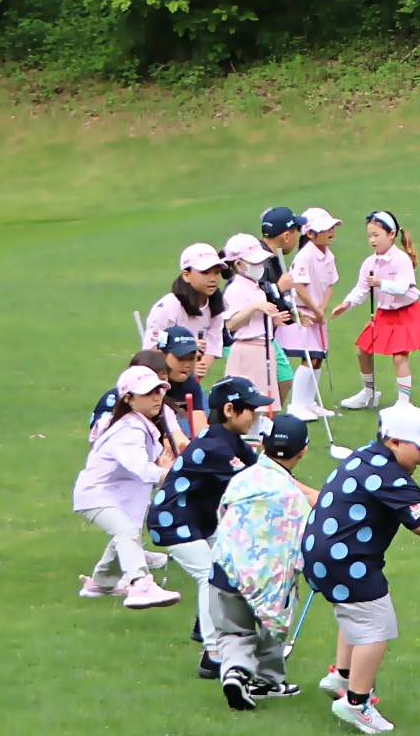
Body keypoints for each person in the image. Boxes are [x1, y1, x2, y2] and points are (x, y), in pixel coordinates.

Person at [302, 401, 420, 733]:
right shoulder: (393, 477)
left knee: (356, 615)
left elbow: (374, 494)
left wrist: (416, 496)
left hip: (320, 554)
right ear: (395, 441)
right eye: (419, 448)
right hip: (348, 561)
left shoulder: (365, 457)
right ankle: (356, 703)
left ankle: (343, 677)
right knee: (377, 625)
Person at [149, 376, 271, 681]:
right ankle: (213, 654)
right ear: (230, 410)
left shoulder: (231, 441)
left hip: (200, 520)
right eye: (251, 409)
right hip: (173, 521)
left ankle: (202, 625)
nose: (255, 415)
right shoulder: (215, 447)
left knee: (229, 565)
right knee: (209, 575)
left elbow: (264, 473)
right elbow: (255, 485)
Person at [209, 412, 317, 705]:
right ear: (303, 451)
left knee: (233, 631)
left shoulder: (241, 480)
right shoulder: (294, 497)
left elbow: (222, 515)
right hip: (270, 580)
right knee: (272, 628)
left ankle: (235, 671)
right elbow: (304, 540)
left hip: (226, 570)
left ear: (263, 444)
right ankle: (267, 680)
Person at [73, 364, 181, 608]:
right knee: (126, 531)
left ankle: (101, 581)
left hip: (114, 495)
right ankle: (140, 583)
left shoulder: (139, 425)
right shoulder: (130, 429)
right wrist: (168, 474)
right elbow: (139, 467)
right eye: (148, 393)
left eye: (158, 391)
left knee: (127, 530)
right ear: (129, 399)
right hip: (96, 496)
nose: (156, 397)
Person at [333, 212, 420, 409]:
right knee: (362, 351)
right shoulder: (370, 263)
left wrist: (380, 283)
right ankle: (368, 393)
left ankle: (404, 403)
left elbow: (402, 287)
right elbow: (361, 289)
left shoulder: (401, 259)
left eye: (376, 235)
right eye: (369, 236)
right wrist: (347, 303)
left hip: (405, 312)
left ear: (391, 234)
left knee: (399, 357)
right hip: (384, 313)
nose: (372, 240)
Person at [277, 207, 342, 419]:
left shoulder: (329, 256)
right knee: (309, 357)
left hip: (316, 312)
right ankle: (296, 405)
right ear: (310, 234)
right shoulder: (305, 256)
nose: (330, 232)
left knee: (318, 358)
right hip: (302, 312)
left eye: (332, 228)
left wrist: (322, 308)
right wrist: (315, 309)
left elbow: (330, 284)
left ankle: (308, 402)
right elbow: (299, 287)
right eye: (325, 229)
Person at [144, 242, 230, 391]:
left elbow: (213, 345)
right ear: (186, 275)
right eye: (205, 273)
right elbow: (152, 349)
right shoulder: (168, 306)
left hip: (189, 379)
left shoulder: (216, 306)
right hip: (163, 381)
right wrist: (187, 347)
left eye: (216, 273)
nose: (213, 279)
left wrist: (201, 365)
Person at [216, 234, 291, 399]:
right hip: (246, 348)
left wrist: (272, 320)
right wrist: (255, 307)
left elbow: (255, 319)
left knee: (266, 396)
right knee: (250, 397)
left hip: (263, 345)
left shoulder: (255, 286)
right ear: (239, 264)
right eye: (256, 263)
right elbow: (231, 324)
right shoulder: (234, 288)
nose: (261, 266)